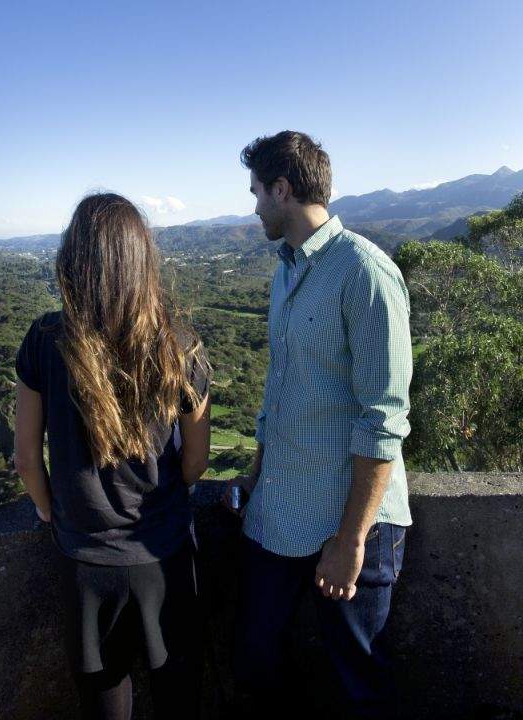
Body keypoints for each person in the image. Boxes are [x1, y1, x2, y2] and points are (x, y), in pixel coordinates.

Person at [222, 131, 413, 718]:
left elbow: (383, 417)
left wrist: (352, 541)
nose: (254, 206)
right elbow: (280, 393)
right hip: (279, 512)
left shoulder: (364, 272)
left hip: (348, 523)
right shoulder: (285, 273)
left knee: (360, 681)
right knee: (257, 660)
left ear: (282, 189)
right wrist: (254, 479)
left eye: (257, 191)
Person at [14, 193, 212, 720]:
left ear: (72, 261)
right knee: (179, 700)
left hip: (86, 564)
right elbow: (196, 462)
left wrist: (48, 508)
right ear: (142, 260)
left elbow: (27, 459)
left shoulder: (45, 339)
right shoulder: (181, 344)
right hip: (164, 553)